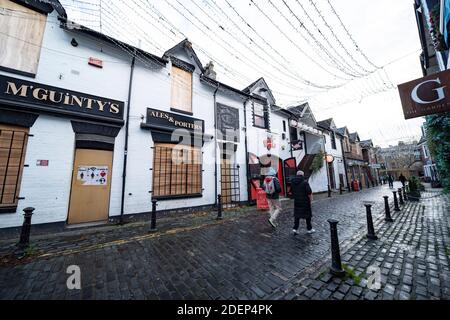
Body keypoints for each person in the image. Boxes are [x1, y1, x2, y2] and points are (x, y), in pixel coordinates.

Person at [291, 170, 315, 235]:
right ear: (302, 175)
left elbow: (291, 191)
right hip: (305, 201)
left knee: (297, 215)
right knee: (307, 215)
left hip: (297, 201)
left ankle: (295, 229)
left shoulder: (293, 182)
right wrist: (311, 199)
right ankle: (309, 229)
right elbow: (309, 192)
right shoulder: (305, 182)